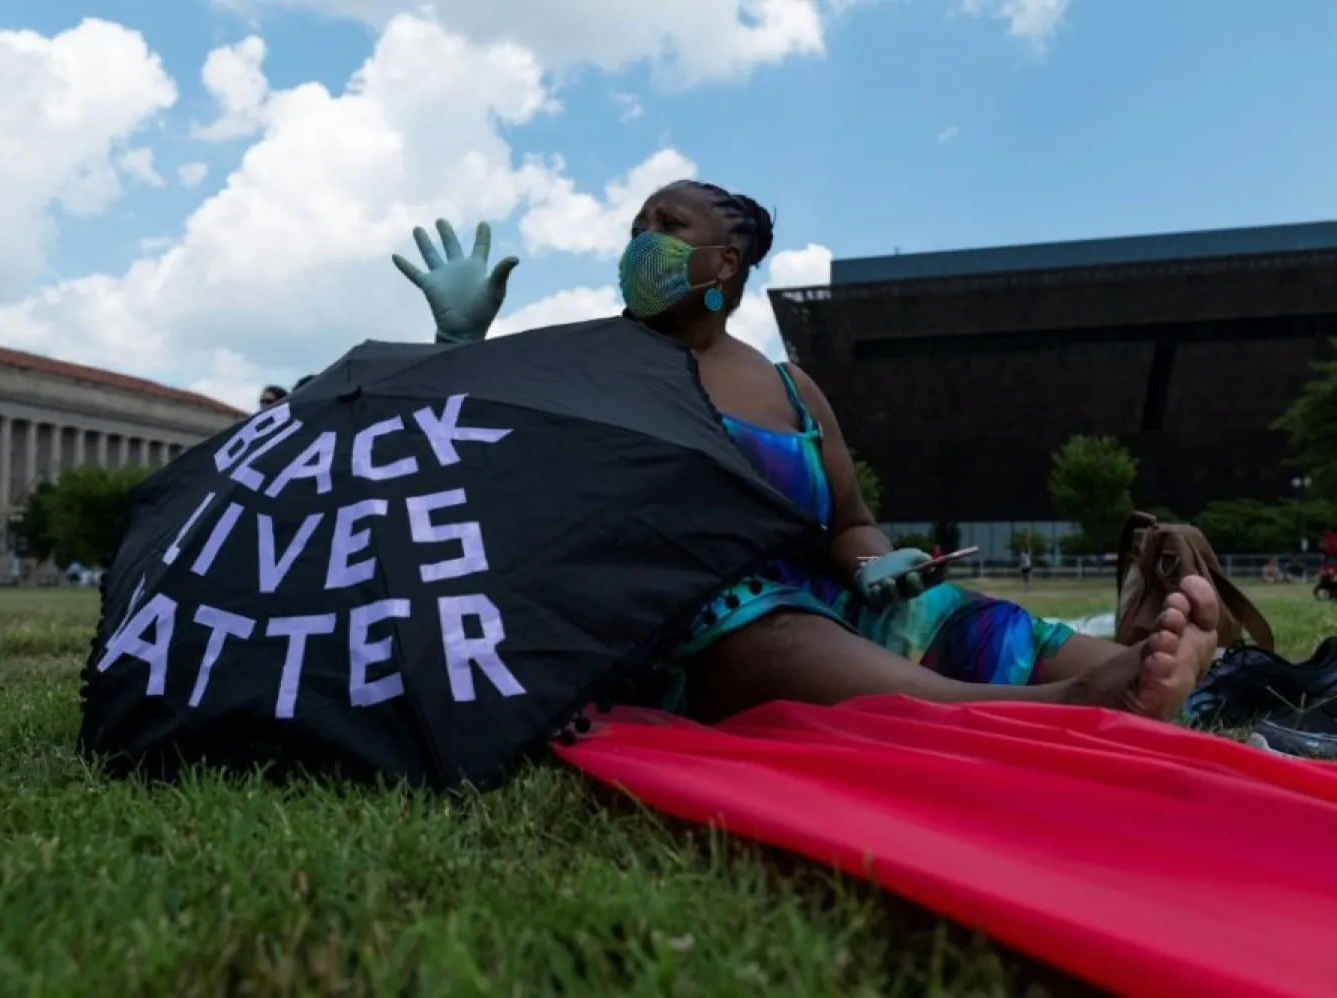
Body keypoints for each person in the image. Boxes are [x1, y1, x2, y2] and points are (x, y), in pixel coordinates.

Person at [390, 186, 1219, 723]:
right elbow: (472, 454)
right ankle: (1042, 707)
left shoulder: (791, 386)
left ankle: (1141, 669)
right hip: (676, 620)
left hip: (823, 597)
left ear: (726, 265)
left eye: (668, 226)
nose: (643, 238)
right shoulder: (588, 362)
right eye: (638, 224)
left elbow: (848, 523)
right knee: (763, 625)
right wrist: (459, 343)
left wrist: (876, 562)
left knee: (952, 615)